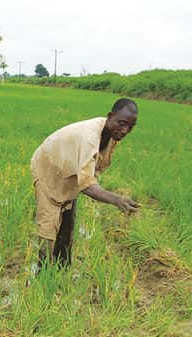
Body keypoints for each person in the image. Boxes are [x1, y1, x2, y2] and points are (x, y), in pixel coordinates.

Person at [31, 98, 141, 267]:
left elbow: (91, 170)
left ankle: (62, 269)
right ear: (110, 116)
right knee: (49, 223)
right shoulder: (90, 136)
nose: (125, 130)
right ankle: (43, 271)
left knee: (68, 222)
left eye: (130, 127)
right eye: (122, 123)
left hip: (69, 170)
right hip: (49, 167)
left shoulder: (111, 134)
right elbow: (87, 184)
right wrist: (117, 200)